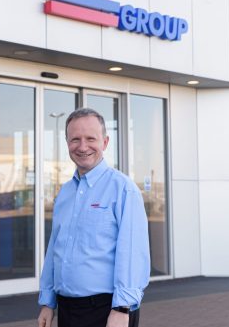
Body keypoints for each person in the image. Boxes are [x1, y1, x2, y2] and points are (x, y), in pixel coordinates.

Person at [37, 108, 150, 327]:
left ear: (105, 142)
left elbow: (132, 253)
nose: (82, 147)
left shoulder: (123, 189)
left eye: (91, 139)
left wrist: (121, 308)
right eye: (75, 139)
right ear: (67, 143)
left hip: (109, 310)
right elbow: (54, 250)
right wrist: (47, 302)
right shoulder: (65, 193)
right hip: (68, 309)